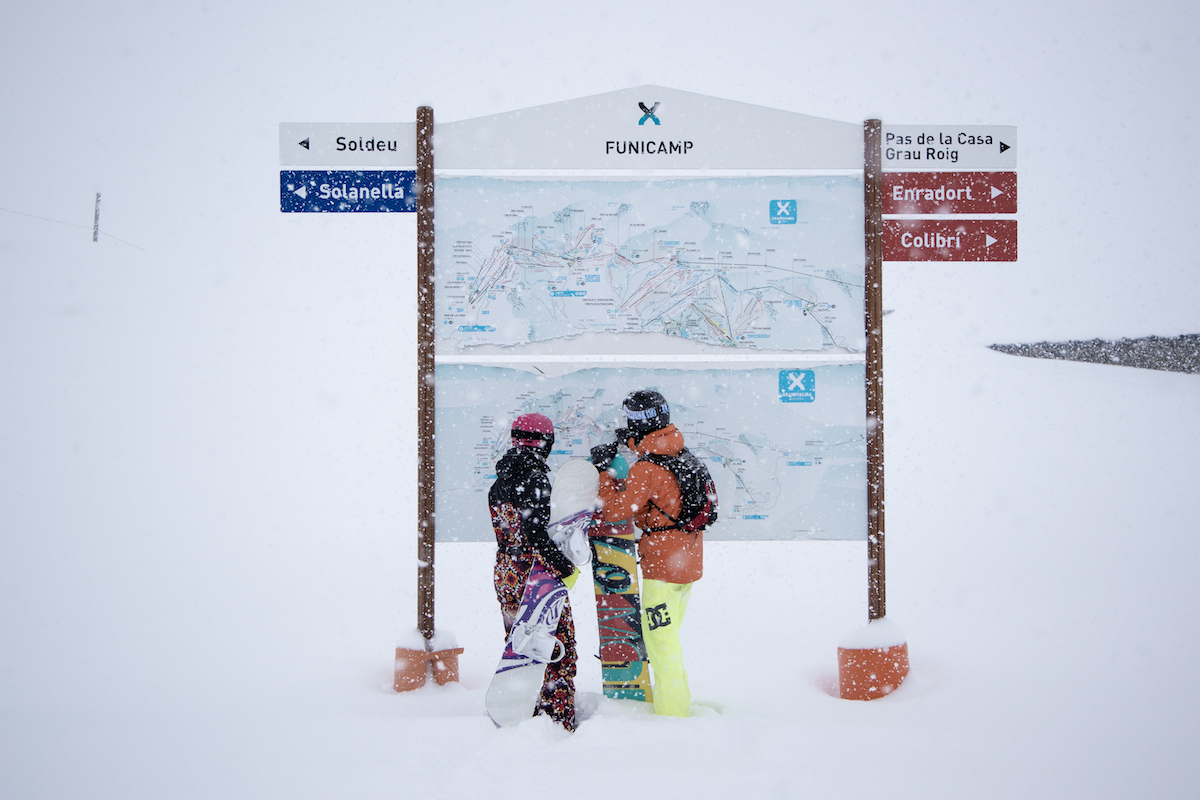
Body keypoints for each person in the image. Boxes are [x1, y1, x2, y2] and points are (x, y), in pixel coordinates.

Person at [591, 390, 704, 717]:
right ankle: (679, 702)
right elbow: (664, 490)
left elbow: (613, 510)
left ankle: (673, 715)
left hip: (662, 567)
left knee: (660, 643)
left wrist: (603, 471)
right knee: (668, 636)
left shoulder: (648, 468)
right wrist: (635, 444)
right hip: (688, 558)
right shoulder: (679, 450)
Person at [488, 412, 579, 731]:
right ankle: (557, 719)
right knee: (556, 646)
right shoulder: (535, 477)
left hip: (506, 571)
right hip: (535, 576)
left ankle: (521, 712)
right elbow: (536, 533)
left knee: (521, 650)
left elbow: (513, 529)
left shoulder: (499, 480)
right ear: (545, 443)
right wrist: (565, 567)